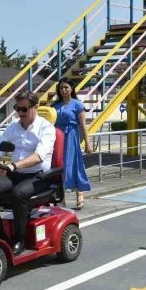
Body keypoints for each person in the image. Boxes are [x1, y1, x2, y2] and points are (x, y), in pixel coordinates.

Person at [0, 91, 55, 256]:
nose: (20, 113)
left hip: (38, 176)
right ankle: (1, 237)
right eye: (17, 109)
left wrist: (14, 165)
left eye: (24, 109)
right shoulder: (13, 126)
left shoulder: (46, 128)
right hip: (15, 173)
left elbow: (38, 156)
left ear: (36, 106)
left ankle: (19, 238)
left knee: (17, 194)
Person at [53, 78, 92, 209]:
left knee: (72, 164)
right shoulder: (55, 105)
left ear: (71, 89)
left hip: (71, 136)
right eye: (61, 88)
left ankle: (79, 192)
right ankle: (61, 197)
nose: (63, 90)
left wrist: (87, 142)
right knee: (58, 166)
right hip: (57, 136)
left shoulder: (77, 104)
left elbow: (83, 126)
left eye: (66, 87)